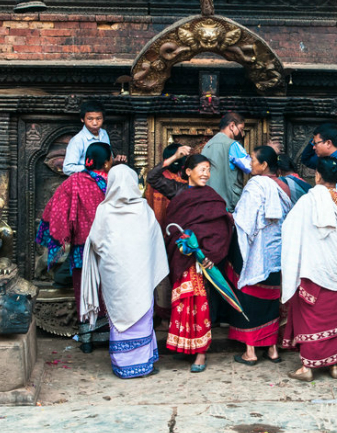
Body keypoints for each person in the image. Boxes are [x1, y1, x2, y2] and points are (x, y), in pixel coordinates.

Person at [80, 164, 169, 379]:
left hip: (115, 275)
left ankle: (123, 365)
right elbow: (154, 241)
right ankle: (143, 364)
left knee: (120, 316)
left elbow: (96, 242)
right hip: (140, 275)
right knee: (142, 315)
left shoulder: (104, 210)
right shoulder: (144, 210)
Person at [36, 141, 113, 353]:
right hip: (111, 248)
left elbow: (57, 209)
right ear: (107, 162)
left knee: (84, 291)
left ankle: (86, 339)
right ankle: (109, 336)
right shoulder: (114, 182)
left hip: (82, 249)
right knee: (109, 290)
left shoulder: (74, 181)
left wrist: (62, 236)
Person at [280, 157, 337, 381]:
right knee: (332, 317)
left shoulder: (306, 202)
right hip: (335, 268)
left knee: (310, 316)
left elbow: (290, 230)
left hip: (313, 268)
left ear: (318, 176)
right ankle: (334, 366)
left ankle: (308, 368)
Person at [163, 153, 234, 373]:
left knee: (201, 304)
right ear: (188, 171)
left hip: (203, 261)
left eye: (208, 169)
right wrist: (183, 243)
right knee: (183, 302)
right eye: (201, 169)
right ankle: (186, 346)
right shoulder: (179, 194)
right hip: (182, 258)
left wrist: (205, 251)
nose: (206, 174)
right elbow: (172, 226)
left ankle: (201, 353)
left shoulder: (212, 197)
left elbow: (221, 227)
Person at [229, 146, 292, 366]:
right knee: (271, 299)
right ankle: (273, 349)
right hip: (275, 253)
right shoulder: (284, 185)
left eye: (252, 159)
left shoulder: (255, 185)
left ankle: (251, 351)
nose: (249, 162)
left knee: (249, 296)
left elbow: (244, 221)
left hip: (255, 252)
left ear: (264, 165)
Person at [299, 123, 337, 345]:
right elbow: (306, 159)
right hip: (332, 231)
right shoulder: (329, 162)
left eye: (316, 143)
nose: (313, 147)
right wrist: (314, 141)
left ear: (329, 143)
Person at [145, 143, 190, 321]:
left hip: (181, 235)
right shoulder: (162, 180)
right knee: (162, 275)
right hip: (161, 232)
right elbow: (153, 206)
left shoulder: (184, 181)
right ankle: (164, 315)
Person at [202, 112, 253, 212]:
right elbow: (251, 167)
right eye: (241, 130)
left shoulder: (207, 145)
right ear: (232, 126)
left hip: (207, 203)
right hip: (226, 205)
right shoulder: (232, 145)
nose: (242, 134)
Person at [62, 100, 126, 175]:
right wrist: (91, 168)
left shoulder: (104, 134)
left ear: (103, 119)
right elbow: (67, 168)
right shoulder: (78, 140)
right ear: (82, 119)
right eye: (90, 119)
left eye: (98, 119)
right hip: (87, 180)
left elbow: (106, 160)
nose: (95, 123)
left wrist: (115, 161)